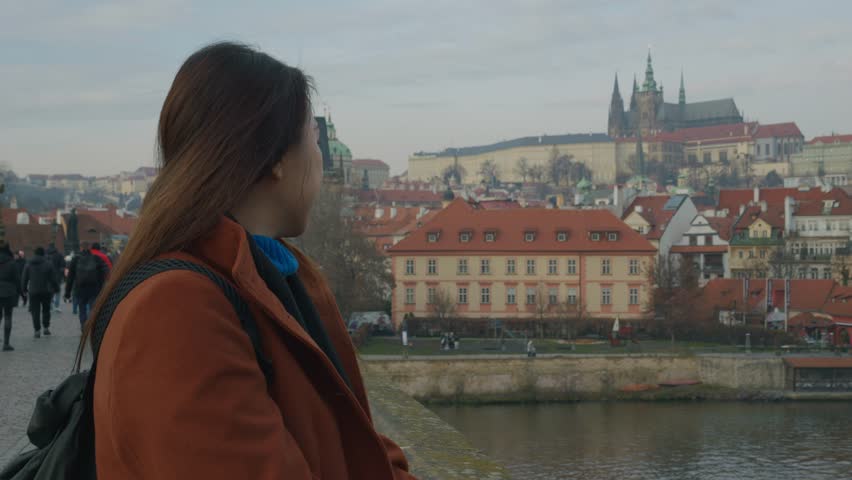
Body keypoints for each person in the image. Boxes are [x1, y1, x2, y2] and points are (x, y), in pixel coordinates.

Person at [79, 42, 413, 479]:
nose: (320, 161)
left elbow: (355, 447)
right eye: (314, 140)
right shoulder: (178, 309)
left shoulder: (271, 276)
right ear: (276, 160)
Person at [64, 242, 108, 328]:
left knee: (82, 309)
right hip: (93, 289)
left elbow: (70, 277)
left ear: (81, 248)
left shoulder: (76, 259)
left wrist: (67, 293)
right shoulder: (96, 258)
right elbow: (102, 274)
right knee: (93, 309)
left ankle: (83, 326)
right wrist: (101, 288)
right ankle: (91, 326)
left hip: (80, 289)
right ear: (89, 247)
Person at [22, 247, 58, 338]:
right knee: (46, 310)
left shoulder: (28, 264)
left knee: (35, 311)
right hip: (46, 290)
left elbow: (24, 278)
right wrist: (56, 288)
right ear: (43, 254)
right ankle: (46, 327)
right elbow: (53, 279)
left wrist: (24, 289)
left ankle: (37, 330)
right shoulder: (48, 264)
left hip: (33, 291)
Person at [0, 243, 21, 351]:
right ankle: (6, 343)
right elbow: (17, 279)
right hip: (8, 292)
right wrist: (21, 292)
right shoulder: (12, 263)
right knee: (8, 316)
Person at [46, 244, 66, 313]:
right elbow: (63, 265)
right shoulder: (59, 255)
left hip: (48, 277)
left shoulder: (46, 255)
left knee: (49, 291)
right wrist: (61, 273)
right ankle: (57, 306)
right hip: (57, 276)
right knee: (57, 291)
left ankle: (50, 305)